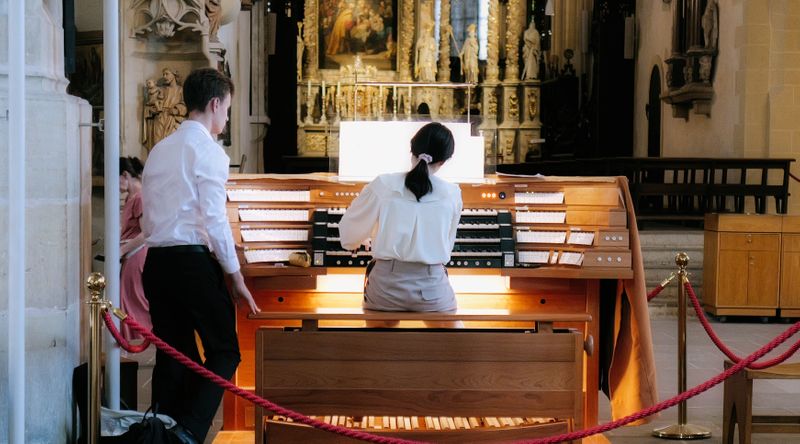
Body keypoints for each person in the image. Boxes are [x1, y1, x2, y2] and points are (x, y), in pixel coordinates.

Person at [141, 67, 260, 444]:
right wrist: (236, 276)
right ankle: (188, 433)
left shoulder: (159, 150)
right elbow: (214, 219)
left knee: (173, 354)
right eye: (227, 108)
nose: (226, 117)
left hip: (156, 262)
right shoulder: (207, 151)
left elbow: (148, 218)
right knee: (225, 350)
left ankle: (160, 430)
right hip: (191, 262)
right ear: (214, 103)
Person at [338, 122, 463, 328]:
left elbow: (348, 235)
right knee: (453, 344)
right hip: (431, 287)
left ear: (411, 149)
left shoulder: (383, 184)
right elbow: (446, 245)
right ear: (443, 161)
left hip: (386, 288)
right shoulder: (452, 193)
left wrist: (363, 239)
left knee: (377, 346)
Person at [119, 156, 152, 343]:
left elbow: (145, 232)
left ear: (125, 175)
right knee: (127, 300)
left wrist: (122, 251)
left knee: (135, 301)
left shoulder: (139, 197)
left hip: (136, 254)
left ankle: (141, 342)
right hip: (129, 254)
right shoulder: (130, 198)